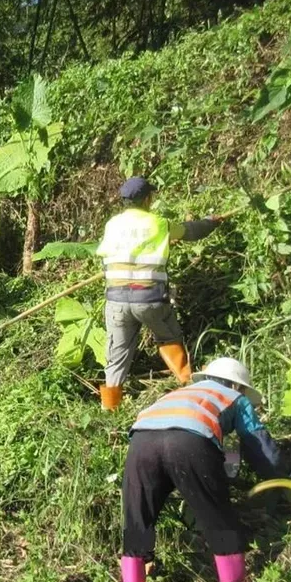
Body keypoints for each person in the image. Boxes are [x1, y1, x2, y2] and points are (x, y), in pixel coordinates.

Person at [119, 358, 290, 582]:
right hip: (189, 442)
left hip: (142, 442)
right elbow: (260, 447)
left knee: (138, 520)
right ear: (237, 385)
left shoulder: (181, 393)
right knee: (218, 518)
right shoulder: (235, 397)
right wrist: (282, 475)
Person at [96, 176, 223, 410]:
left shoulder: (112, 224)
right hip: (149, 299)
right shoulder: (158, 224)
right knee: (169, 338)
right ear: (147, 199)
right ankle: (188, 387)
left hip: (116, 301)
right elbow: (191, 231)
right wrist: (211, 222)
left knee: (117, 353)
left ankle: (109, 409)